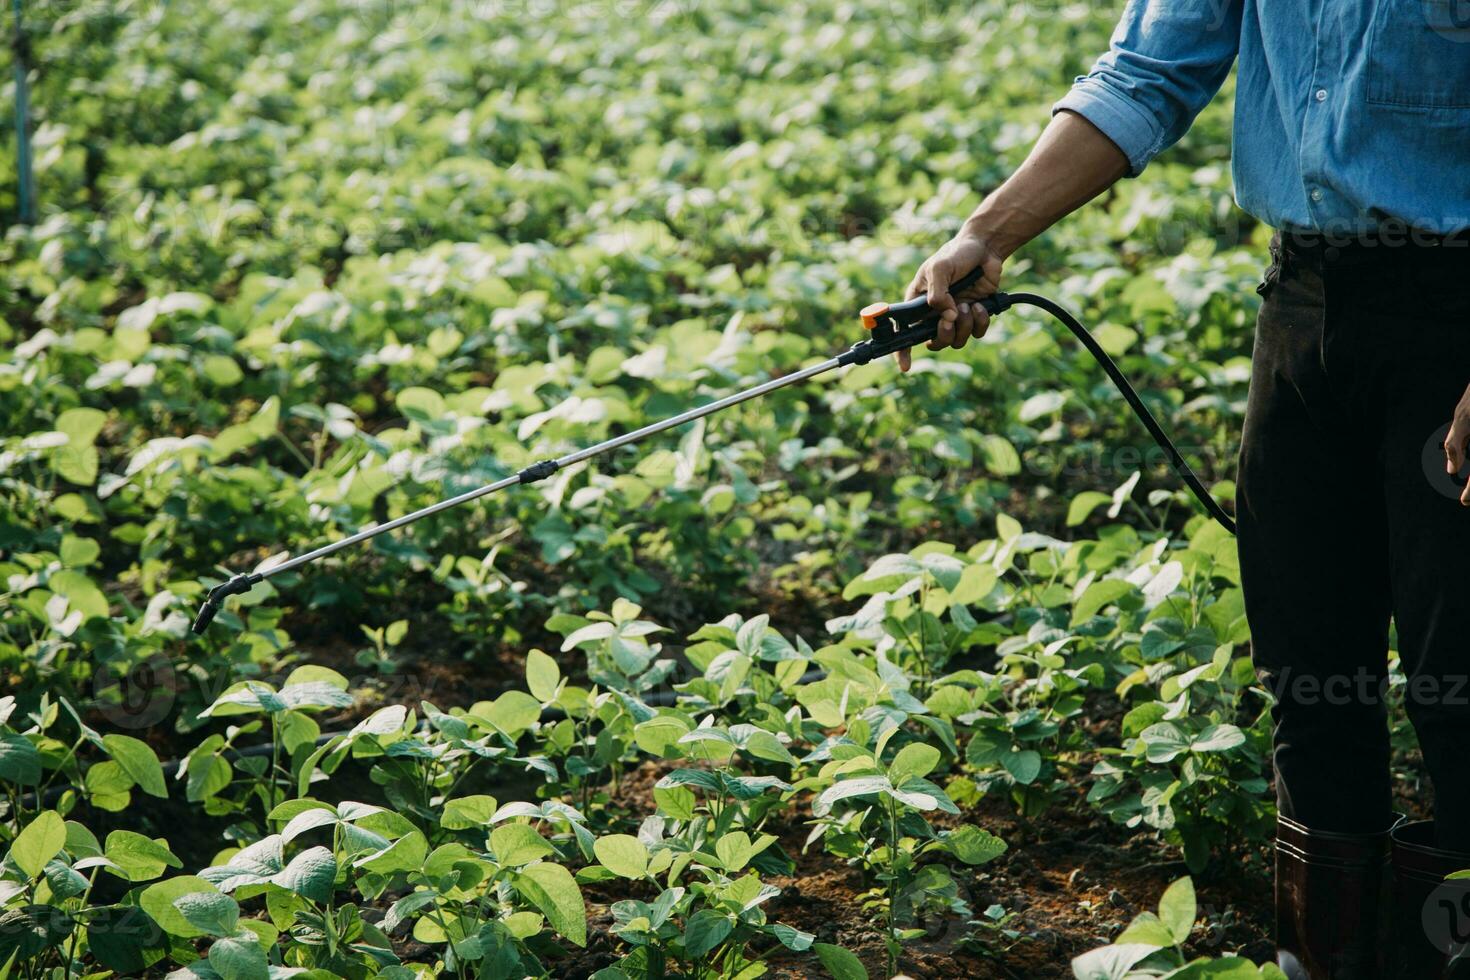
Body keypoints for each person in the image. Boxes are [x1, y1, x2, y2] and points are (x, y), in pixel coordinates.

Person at [900, 2, 1470, 977]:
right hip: (1305, 307)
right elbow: (1146, 75)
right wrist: (985, 234)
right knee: (1309, 682)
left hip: (1455, 325)